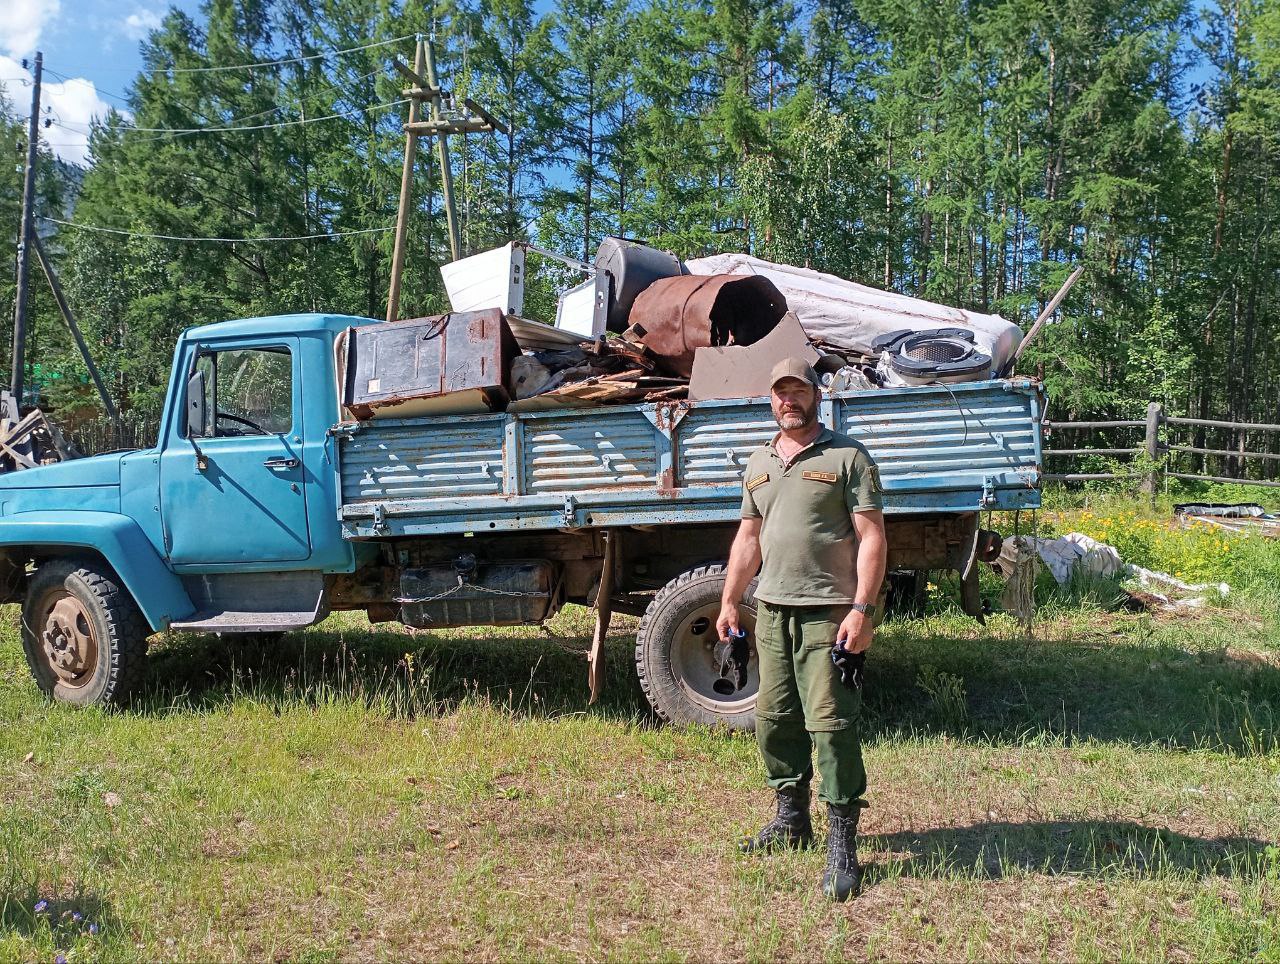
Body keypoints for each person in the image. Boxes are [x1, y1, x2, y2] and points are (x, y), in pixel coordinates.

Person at [716, 356, 888, 901]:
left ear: (816, 395)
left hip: (829, 613)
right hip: (771, 611)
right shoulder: (759, 461)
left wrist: (862, 610)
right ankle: (792, 819)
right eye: (780, 392)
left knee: (832, 726)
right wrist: (729, 600)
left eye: (798, 391)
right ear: (771, 399)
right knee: (773, 720)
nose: (789, 400)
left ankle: (843, 843)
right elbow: (748, 538)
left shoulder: (847, 457)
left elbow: (872, 537)